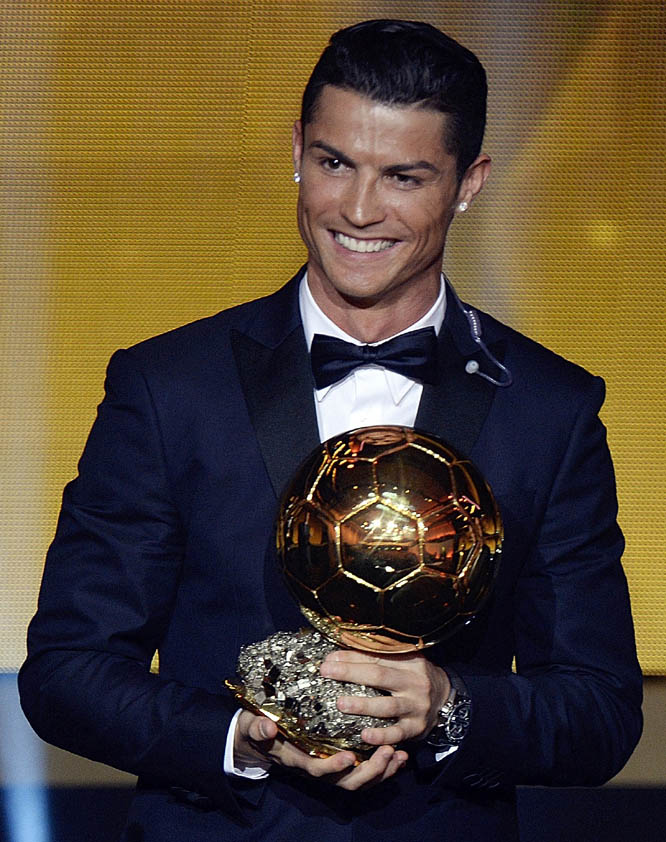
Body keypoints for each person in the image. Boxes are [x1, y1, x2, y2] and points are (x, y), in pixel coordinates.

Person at [19, 19, 642, 842]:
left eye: (404, 177)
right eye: (334, 162)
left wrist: (453, 707)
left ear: (468, 182)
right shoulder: (169, 387)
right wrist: (243, 738)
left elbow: (599, 712)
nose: (356, 209)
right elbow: (68, 672)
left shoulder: (549, 409)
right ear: (297, 150)